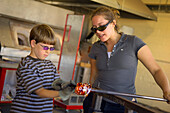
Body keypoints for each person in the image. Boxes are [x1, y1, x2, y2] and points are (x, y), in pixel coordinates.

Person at [83, 6, 170, 113]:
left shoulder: (134, 43)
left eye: (101, 27)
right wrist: (88, 90)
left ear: (113, 23)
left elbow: (156, 70)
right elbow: (94, 74)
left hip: (123, 105)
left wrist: (167, 90)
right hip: (96, 101)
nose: (98, 32)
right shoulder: (96, 47)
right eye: (94, 28)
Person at [10, 24, 74, 113]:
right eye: (45, 47)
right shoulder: (26, 65)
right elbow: (40, 92)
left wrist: (67, 86)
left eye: (51, 48)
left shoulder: (50, 65)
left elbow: (56, 84)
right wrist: (61, 94)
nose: (48, 51)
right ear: (33, 43)